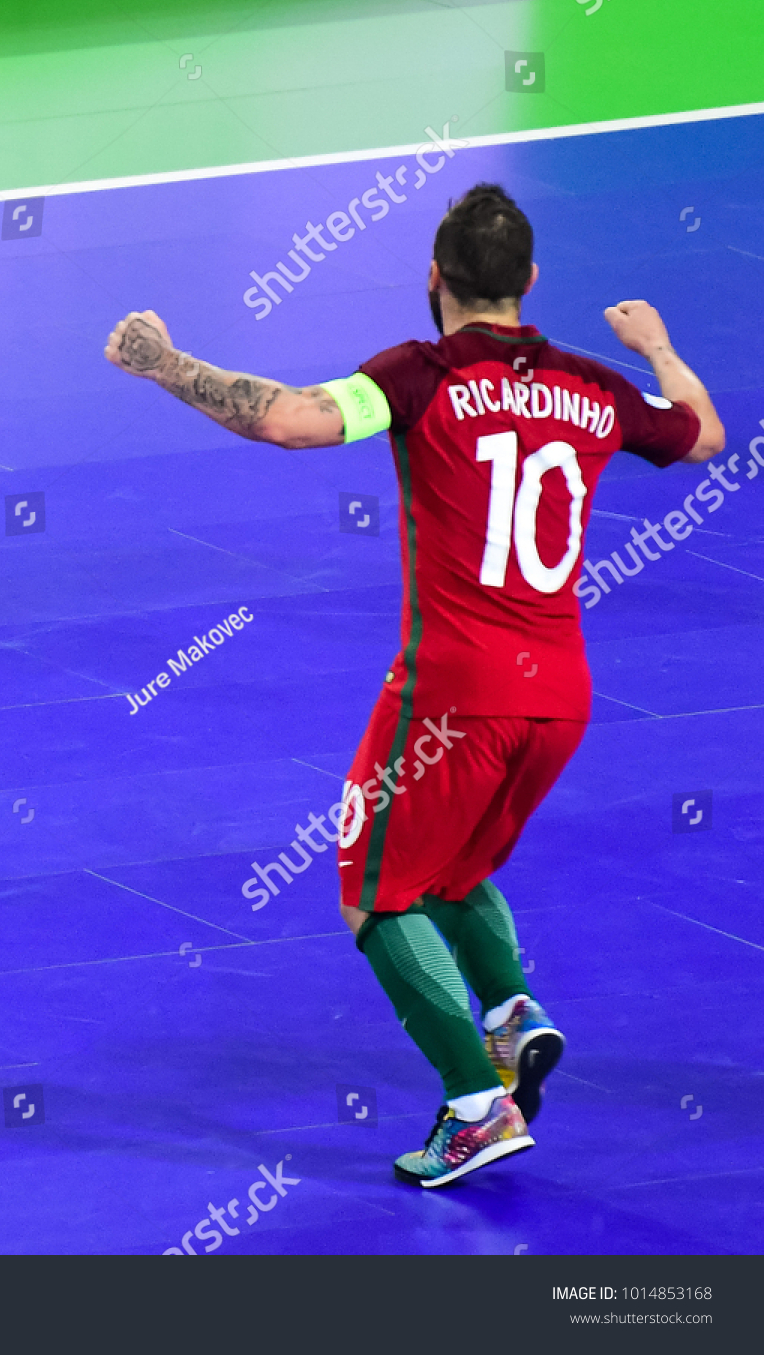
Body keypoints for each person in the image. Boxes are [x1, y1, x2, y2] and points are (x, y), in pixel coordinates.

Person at [103, 183, 723, 1187]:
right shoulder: (593, 385)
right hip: (559, 695)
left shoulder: (419, 376)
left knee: (372, 892)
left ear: (433, 277)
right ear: (528, 282)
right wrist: (654, 345)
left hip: (450, 695)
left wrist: (163, 363)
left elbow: (292, 421)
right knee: (451, 870)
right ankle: (514, 1015)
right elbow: (701, 433)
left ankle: (475, 1107)